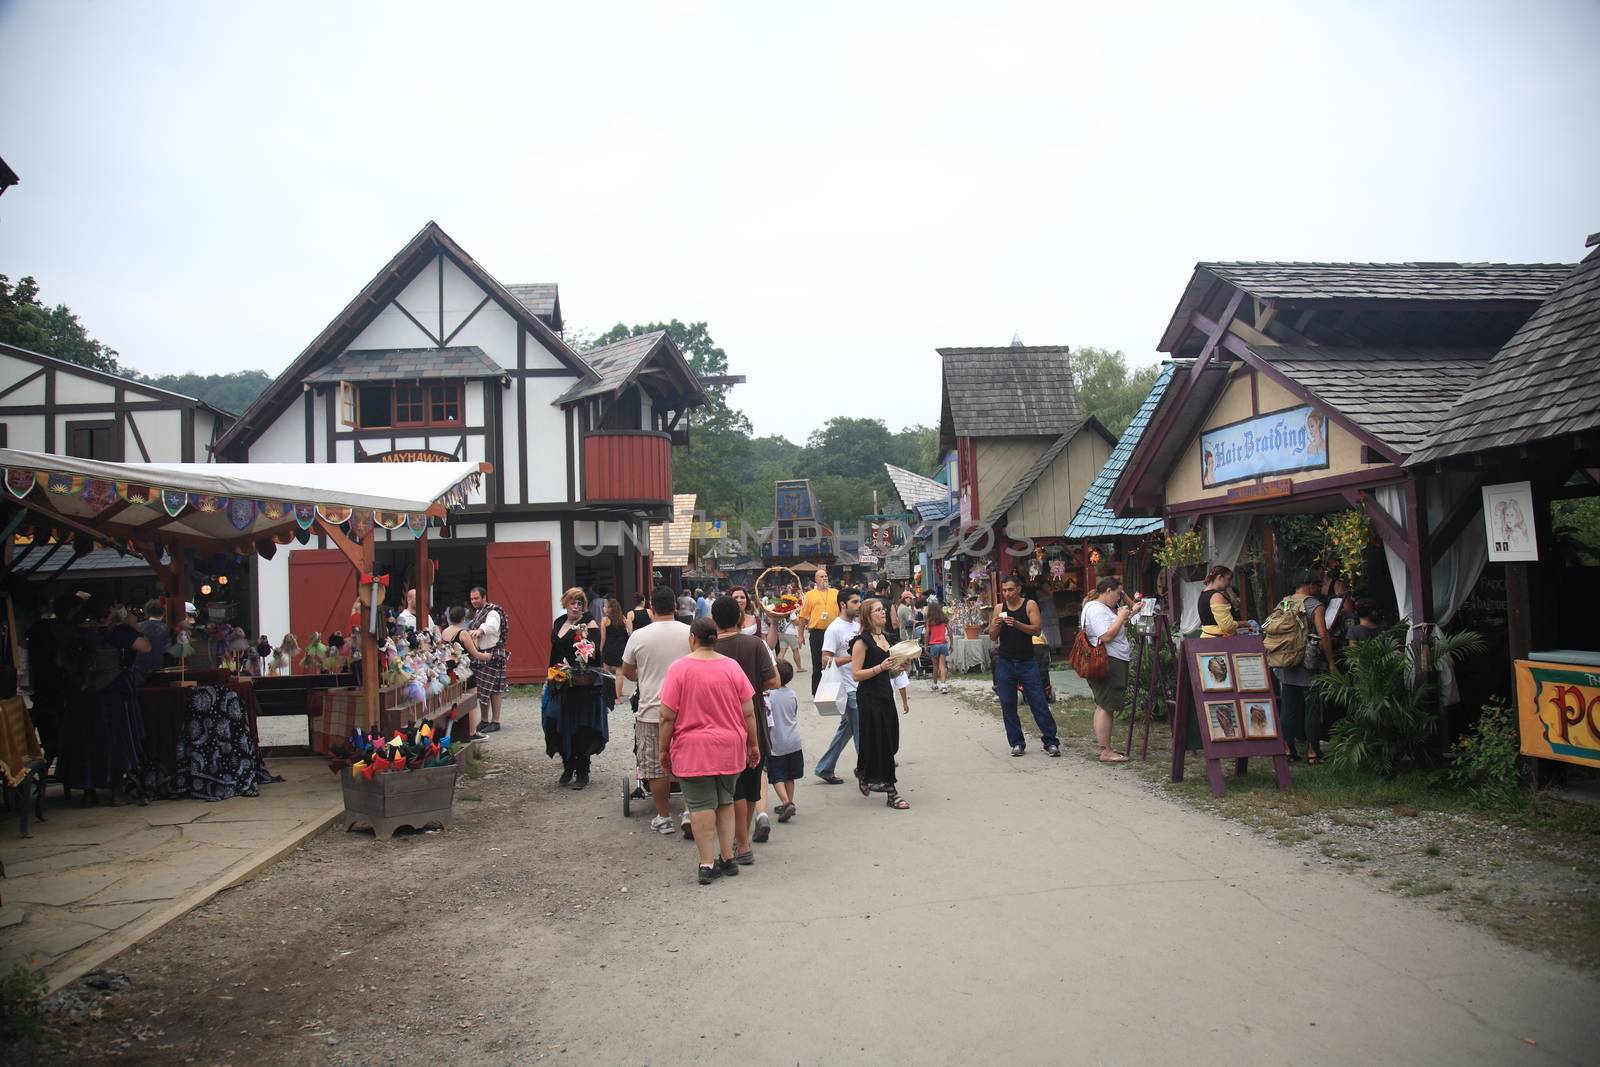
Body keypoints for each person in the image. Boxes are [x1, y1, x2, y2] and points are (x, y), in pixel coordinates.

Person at [658, 618, 761, 885]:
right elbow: (748, 712)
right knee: (725, 801)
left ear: (693, 638)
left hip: (694, 750)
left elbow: (666, 717)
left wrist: (662, 750)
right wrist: (753, 744)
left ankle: (706, 863)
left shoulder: (679, 669)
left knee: (701, 805)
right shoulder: (732, 667)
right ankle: (727, 857)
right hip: (729, 747)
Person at [55, 598, 151, 805]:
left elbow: (61, 661)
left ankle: (88, 791)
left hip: (80, 694)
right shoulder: (117, 632)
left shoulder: (72, 632)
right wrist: (131, 624)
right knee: (114, 741)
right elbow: (144, 647)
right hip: (111, 694)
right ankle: (116, 789)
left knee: (84, 740)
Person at [711, 596, 780, 864]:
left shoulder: (710, 648)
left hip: (719, 723)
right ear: (741, 619)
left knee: (730, 788)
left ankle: (734, 843)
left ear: (714, 621)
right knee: (751, 785)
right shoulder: (755, 645)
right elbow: (773, 681)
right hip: (753, 721)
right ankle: (743, 843)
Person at [619, 586, 691, 835]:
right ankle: (690, 811)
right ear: (674, 606)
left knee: (654, 765)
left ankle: (663, 816)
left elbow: (627, 671)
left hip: (652, 709)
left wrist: (645, 675)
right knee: (687, 761)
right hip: (686, 709)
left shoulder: (639, 636)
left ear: (651, 608)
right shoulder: (689, 633)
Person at [989, 576, 1061, 757]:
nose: (1006, 593)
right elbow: (992, 636)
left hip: (1027, 660)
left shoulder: (1029, 605)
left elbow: (1037, 629)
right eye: (1004, 590)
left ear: (1019, 589)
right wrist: (997, 625)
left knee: (1038, 701)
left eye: (1010, 589)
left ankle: (1051, 741)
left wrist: (1017, 624)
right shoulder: (999, 608)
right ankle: (1017, 743)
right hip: (1005, 661)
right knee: (1008, 704)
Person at [543, 587, 608, 788]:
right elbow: (554, 652)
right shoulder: (559, 623)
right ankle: (567, 764)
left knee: (581, 728)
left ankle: (582, 771)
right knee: (553, 722)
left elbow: (595, 656)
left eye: (580, 603)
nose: (576, 606)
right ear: (566, 603)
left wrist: (584, 641)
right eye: (572, 602)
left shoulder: (589, 624)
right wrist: (549, 675)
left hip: (582, 686)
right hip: (559, 681)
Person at [851, 598, 910, 809]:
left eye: (883, 609)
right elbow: (856, 674)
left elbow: (888, 671)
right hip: (869, 697)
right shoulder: (861, 642)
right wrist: (880, 668)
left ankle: (863, 771)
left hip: (885, 694)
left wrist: (899, 668)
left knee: (890, 740)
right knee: (883, 744)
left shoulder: (885, 638)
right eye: (878, 610)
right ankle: (891, 792)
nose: (883, 612)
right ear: (868, 616)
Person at [1274, 572, 1338, 764]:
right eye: (1316, 585)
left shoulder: (1283, 603)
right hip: (1308, 663)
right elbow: (1323, 634)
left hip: (1286, 661)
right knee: (1312, 709)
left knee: (1288, 709)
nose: (1318, 589)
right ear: (1308, 585)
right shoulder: (1314, 605)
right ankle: (1312, 752)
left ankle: (1287, 749)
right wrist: (1331, 662)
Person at [1080, 577, 1141, 764]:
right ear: (1108, 590)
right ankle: (1105, 751)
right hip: (1108, 660)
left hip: (1111, 659)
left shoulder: (1100, 608)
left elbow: (1112, 627)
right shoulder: (1096, 609)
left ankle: (1105, 746)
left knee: (1103, 705)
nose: (1119, 598)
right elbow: (1106, 635)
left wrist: (1128, 614)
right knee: (1107, 706)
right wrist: (1122, 617)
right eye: (1118, 594)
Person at [813, 588, 863, 784]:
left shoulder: (857, 625)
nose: (858, 606)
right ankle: (867, 773)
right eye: (855, 602)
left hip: (859, 685)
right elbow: (825, 660)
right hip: (847, 688)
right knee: (861, 731)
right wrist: (852, 657)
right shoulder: (834, 629)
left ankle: (824, 768)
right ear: (843, 604)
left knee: (848, 729)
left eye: (859, 602)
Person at [440, 605, 487, 740]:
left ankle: (455, 731)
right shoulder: (463, 633)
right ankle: (472, 732)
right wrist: (488, 656)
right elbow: (475, 653)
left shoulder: (444, 632)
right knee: (471, 700)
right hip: (463, 669)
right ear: (462, 618)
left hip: (449, 670)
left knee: (454, 700)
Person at [466, 586, 510, 733]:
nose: (474, 601)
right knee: (481, 689)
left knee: (495, 689)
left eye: (476, 598)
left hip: (493, 655)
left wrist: (480, 630)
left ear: (484, 597)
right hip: (481, 655)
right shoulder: (478, 612)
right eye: (472, 599)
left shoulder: (493, 612)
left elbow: (491, 626)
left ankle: (496, 721)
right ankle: (484, 720)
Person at [766, 660, 803, 822]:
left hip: (776, 742)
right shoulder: (792, 693)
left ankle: (786, 802)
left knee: (776, 776)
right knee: (790, 775)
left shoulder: (768, 696)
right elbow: (794, 712)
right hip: (794, 740)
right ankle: (789, 801)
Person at [798, 571, 840, 696]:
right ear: (816, 580)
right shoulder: (810, 595)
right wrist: (800, 635)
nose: (824, 578)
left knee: (835, 662)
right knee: (817, 663)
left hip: (833, 632)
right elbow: (803, 617)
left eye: (826, 576)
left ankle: (835, 690)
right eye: (821, 576)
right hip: (817, 633)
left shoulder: (835, 593)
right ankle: (817, 692)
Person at [600, 597, 631, 704]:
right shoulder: (622, 618)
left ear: (610, 608)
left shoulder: (605, 620)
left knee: (606, 673)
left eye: (605, 606)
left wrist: (600, 649)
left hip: (609, 648)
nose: (603, 608)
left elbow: (603, 638)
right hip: (621, 648)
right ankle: (617, 698)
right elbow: (629, 633)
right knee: (619, 674)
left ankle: (607, 695)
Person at [133, 599, 169, 683]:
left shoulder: (138, 626)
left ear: (147, 612)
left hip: (139, 665)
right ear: (163, 612)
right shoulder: (166, 628)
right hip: (158, 665)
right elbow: (167, 648)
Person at [1198, 565, 1238, 637]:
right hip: (1218, 642)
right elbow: (1227, 626)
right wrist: (1244, 623)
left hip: (1206, 638)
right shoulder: (1216, 596)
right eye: (1228, 579)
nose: (1229, 583)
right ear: (1220, 577)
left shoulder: (1202, 594)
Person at [925, 598, 950, 694]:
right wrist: (951, 643)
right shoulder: (944, 619)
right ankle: (943, 685)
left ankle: (935, 683)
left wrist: (926, 645)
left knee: (935, 666)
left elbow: (927, 634)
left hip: (934, 645)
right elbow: (950, 631)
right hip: (943, 644)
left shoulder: (929, 621)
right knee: (942, 665)